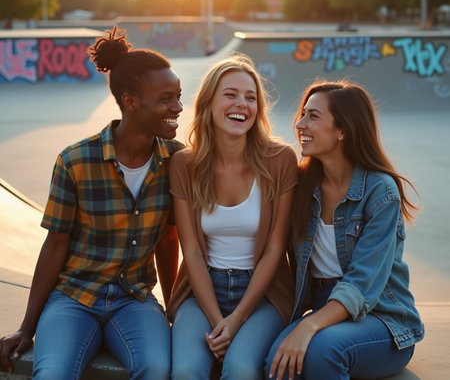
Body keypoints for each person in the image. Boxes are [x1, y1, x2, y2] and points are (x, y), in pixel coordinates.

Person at [0, 26, 184, 380]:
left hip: (135, 299)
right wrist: (27, 326)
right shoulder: (75, 161)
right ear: (130, 101)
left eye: (178, 96)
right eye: (165, 98)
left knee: (157, 367)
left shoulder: (177, 160)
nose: (177, 107)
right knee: (53, 372)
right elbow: (55, 246)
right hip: (73, 297)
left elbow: (169, 240)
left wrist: (172, 310)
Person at [266, 80, 424, 380]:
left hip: (383, 318)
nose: (300, 123)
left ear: (342, 130)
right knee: (276, 363)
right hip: (326, 308)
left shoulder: (380, 192)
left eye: (313, 116)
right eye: (303, 114)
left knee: (326, 350)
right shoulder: (302, 186)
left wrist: (308, 326)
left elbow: (362, 283)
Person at [166, 54, 298, 379]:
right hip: (202, 290)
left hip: (263, 294)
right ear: (209, 103)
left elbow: (274, 248)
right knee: (185, 371)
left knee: (240, 369)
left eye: (251, 98)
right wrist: (217, 321)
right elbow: (192, 251)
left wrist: (235, 320)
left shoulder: (280, 160)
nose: (242, 104)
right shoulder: (185, 164)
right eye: (231, 94)